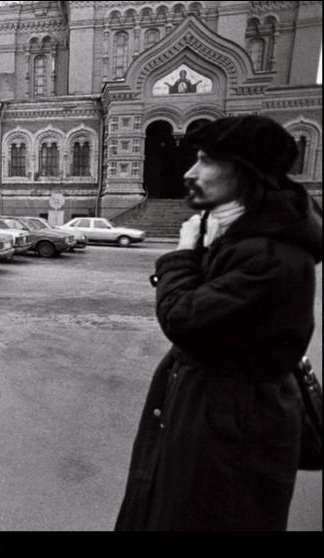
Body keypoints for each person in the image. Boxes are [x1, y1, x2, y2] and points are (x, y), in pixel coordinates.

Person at [115, 115, 322, 530]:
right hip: (216, 420)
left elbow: (182, 317)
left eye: (206, 160)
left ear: (246, 174)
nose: (190, 172)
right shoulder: (243, 238)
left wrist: (182, 252)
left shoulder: (270, 255)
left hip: (229, 435)